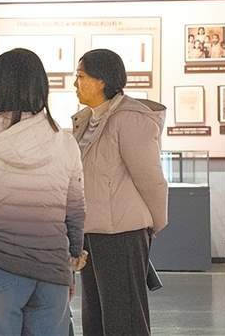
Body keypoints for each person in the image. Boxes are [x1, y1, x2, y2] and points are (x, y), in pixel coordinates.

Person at [0, 49, 86, 336]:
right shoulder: (64, 141)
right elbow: (75, 209)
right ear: (41, 86)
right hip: (51, 267)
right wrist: (72, 256)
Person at [72, 49, 168, 336]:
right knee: (96, 318)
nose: (75, 83)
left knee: (124, 319)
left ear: (102, 80)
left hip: (122, 234)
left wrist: (152, 226)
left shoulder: (129, 119)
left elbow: (151, 180)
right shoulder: (86, 120)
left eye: (81, 76)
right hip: (92, 232)